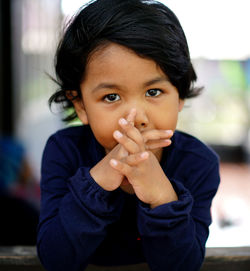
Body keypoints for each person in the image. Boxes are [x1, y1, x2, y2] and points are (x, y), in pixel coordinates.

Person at [37, 0, 220, 270]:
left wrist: (162, 197)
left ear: (179, 95)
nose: (137, 118)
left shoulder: (198, 164)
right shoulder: (63, 152)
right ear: (81, 106)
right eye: (111, 96)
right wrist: (100, 179)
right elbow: (55, 259)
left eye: (153, 92)